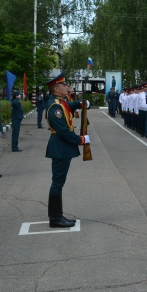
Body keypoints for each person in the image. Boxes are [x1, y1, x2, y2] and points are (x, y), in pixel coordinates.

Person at [45, 72, 91, 228]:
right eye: (64, 85)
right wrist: (79, 140)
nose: (67, 87)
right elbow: (63, 130)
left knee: (59, 181)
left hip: (62, 147)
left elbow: (68, 107)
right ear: (56, 88)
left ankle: (57, 216)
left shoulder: (60, 102)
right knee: (57, 182)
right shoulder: (54, 107)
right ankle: (55, 217)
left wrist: (80, 103)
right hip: (60, 147)